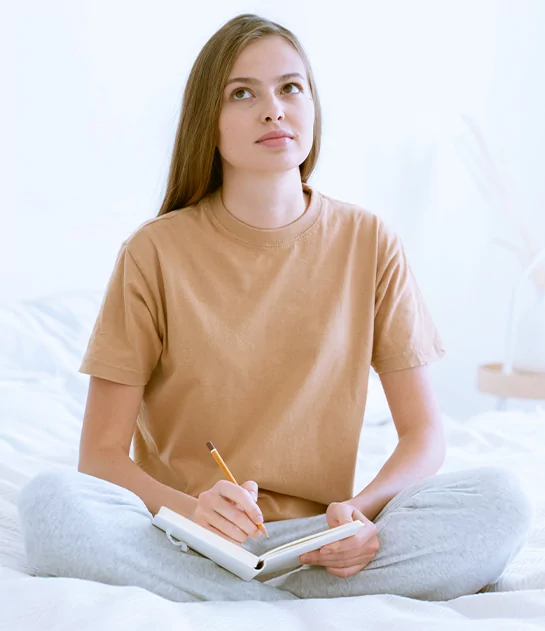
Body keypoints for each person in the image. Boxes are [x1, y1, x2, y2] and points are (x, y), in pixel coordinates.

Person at [18, 12, 533, 603]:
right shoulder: (152, 252)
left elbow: (424, 436)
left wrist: (356, 518)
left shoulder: (370, 242)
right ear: (206, 124)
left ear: (313, 105)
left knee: (502, 501)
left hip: (319, 541)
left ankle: (243, 594)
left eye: (290, 87)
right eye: (243, 93)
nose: (273, 109)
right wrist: (196, 512)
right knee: (50, 503)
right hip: (184, 534)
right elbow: (100, 455)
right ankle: (270, 597)